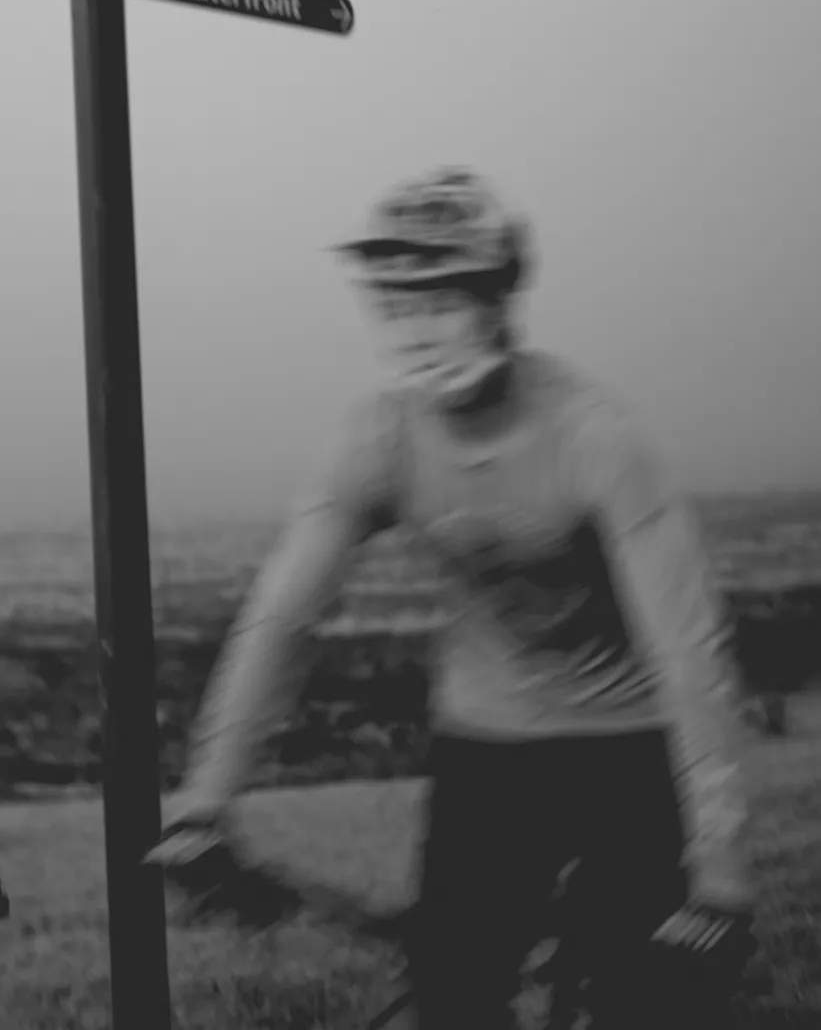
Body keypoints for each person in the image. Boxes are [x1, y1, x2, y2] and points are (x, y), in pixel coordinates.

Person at [148, 167, 754, 1029]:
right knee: (454, 1000)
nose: (416, 331)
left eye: (441, 300)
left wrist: (721, 871)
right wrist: (207, 799)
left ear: (500, 296)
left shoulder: (594, 439)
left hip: (629, 741)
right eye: (393, 306)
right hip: (486, 745)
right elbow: (281, 619)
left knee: (641, 1001)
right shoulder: (379, 436)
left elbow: (688, 653)